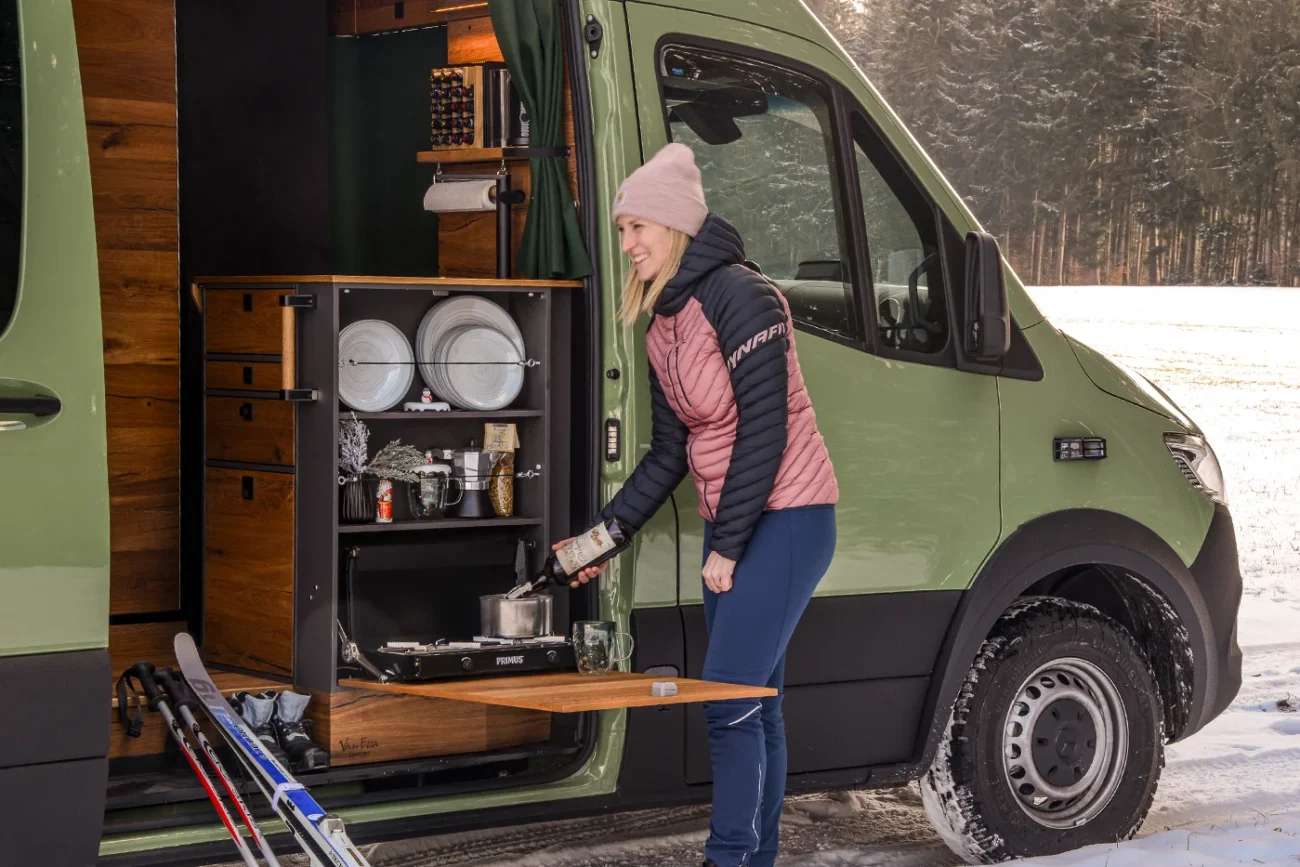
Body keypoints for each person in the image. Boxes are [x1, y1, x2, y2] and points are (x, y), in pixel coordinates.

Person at [553, 142, 839, 867]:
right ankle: (755, 859)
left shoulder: (743, 296)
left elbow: (765, 429)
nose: (627, 245)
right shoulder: (665, 325)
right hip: (738, 523)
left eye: (636, 228)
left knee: (726, 703)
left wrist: (729, 545)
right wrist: (601, 539)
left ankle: (728, 857)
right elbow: (669, 453)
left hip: (790, 519)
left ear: (673, 224)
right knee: (754, 702)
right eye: (621, 232)